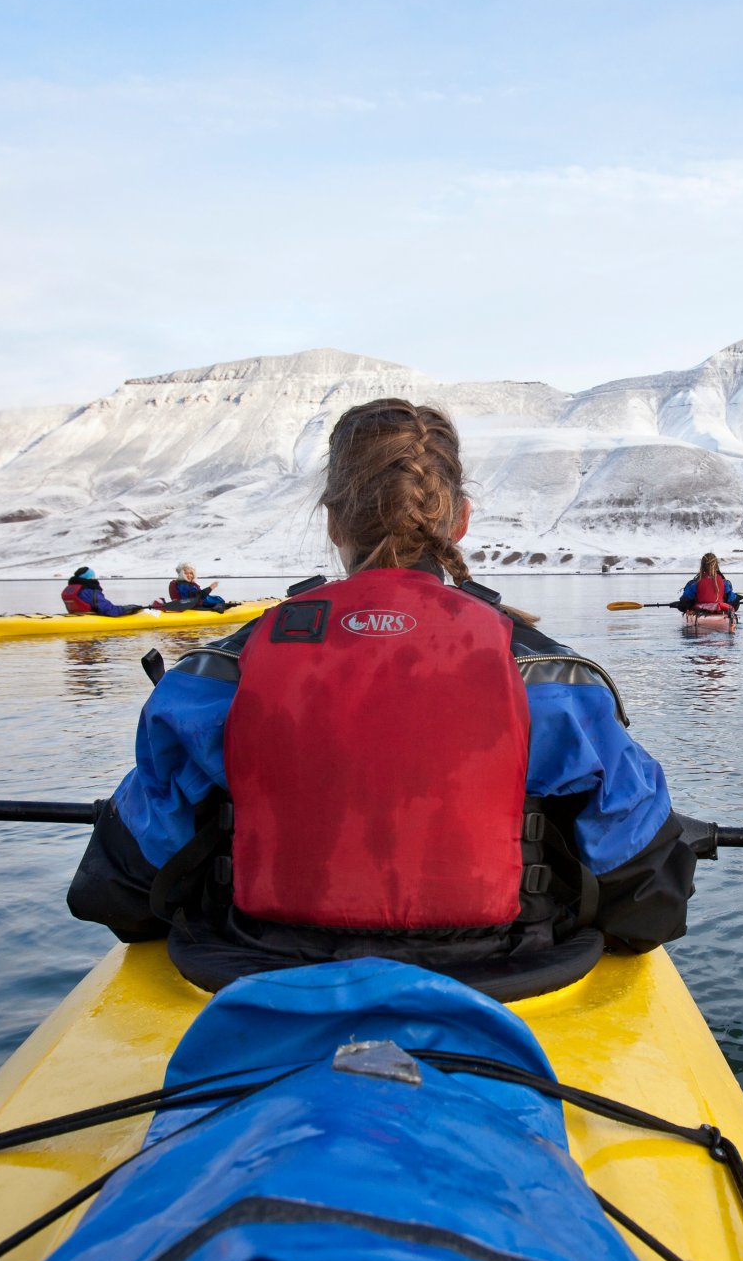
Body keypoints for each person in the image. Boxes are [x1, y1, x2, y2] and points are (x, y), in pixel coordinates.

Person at [68, 398, 708, 992]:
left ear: (333, 521)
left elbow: (122, 892)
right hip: (511, 982)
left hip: (251, 972)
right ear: (460, 519)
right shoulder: (552, 681)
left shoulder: (216, 678)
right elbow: (648, 902)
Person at [61, 567, 143, 616]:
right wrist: (128, 608)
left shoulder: (71, 589)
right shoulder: (90, 591)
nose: (94, 578)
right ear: (90, 577)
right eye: (93, 576)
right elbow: (109, 610)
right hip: (90, 620)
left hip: (76, 617)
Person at [676, 552, 741, 612]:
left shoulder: (694, 584)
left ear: (702, 566)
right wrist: (737, 598)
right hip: (720, 612)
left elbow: (683, 604)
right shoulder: (725, 583)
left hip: (700, 612)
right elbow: (734, 603)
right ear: (716, 565)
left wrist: (679, 605)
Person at [164, 562, 229, 610]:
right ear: (181, 574)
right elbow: (197, 597)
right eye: (186, 573)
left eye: (191, 573)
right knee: (219, 600)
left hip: (188, 604)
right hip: (191, 605)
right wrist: (210, 588)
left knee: (217, 598)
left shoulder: (183, 584)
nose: (189, 575)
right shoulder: (182, 585)